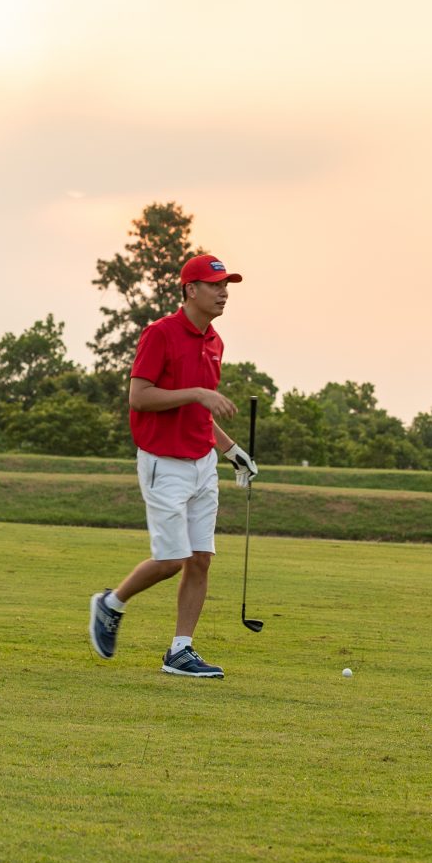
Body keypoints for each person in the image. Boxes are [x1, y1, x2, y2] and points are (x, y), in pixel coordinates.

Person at [87, 254, 257, 678]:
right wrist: (197, 393)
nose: (223, 293)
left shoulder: (215, 341)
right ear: (190, 290)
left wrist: (231, 449)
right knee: (171, 560)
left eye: (226, 287)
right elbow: (139, 398)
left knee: (200, 559)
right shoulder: (159, 334)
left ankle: (180, 650)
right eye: (215, 285)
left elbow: (200, 412)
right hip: (164, 462)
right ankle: (111, 604)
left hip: (202, 463)